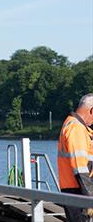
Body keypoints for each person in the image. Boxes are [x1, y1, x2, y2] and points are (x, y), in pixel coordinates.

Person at [58, 93, 93, 222]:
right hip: (79, 191)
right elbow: (80, 167)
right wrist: (90, 197)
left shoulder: (74, 125)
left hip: (74, 189)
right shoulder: (76, 129)